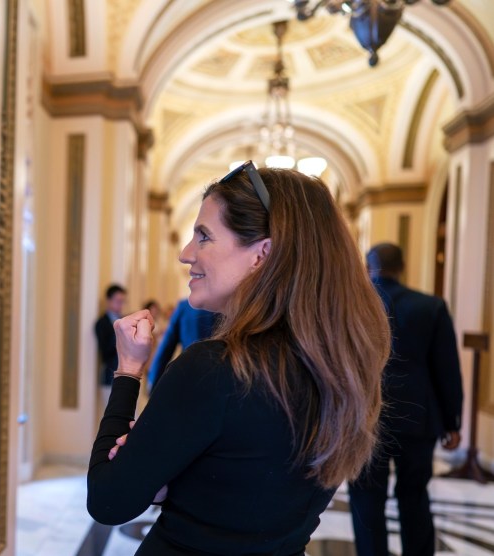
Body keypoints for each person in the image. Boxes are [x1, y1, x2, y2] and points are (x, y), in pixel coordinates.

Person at [87, 162, 391, 554]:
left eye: (204, 236)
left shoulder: (212, 370)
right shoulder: (343, 371)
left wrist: (129, 370)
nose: (185, 254)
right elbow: (249, 490)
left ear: (261, 254)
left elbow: (108, 501)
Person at [348, 243, 463, 556]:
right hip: (418, 417)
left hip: (367, 417)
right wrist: (452, 420)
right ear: (403, 267)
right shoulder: (431, 306)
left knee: (366, 496)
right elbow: (446, 368)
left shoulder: (353, 305)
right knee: (414, 493)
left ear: (369, 267)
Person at [145, 297, 217, 390]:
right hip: (218, 377)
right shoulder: (228, 306)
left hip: (189, 373)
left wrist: (152, 381)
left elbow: (165, 348)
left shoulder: (185, 307)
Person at [95, 284, 127, 408]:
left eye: (123, 301)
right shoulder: (101, 323)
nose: (121, 305)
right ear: (108, 300)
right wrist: (119, 332)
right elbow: (105, 352)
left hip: (126, 374)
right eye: (118, 301)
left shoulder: (124, 320)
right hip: (110, 376)